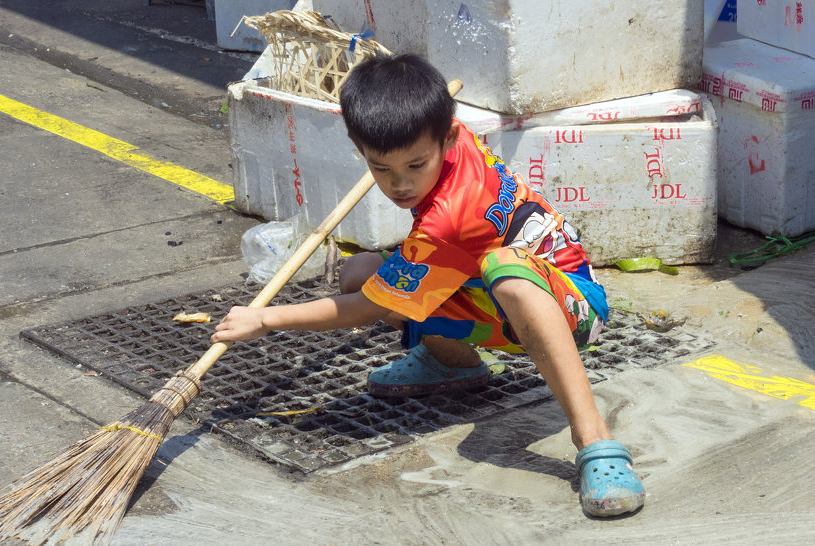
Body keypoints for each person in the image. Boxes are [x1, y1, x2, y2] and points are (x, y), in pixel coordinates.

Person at [211, 52, 645, 517]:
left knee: (502, 270)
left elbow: (369, 310)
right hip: (496, 298)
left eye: (415, 166)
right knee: (362, 273)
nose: (400, 185)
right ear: (361, 150)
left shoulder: (451, 219)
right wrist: (408, 159)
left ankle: (594, 440)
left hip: (573, 308)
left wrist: (265, 318)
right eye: (381, 168)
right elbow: (378, 290)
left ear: (449, 136)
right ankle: (454, 364)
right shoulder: (448, 138)